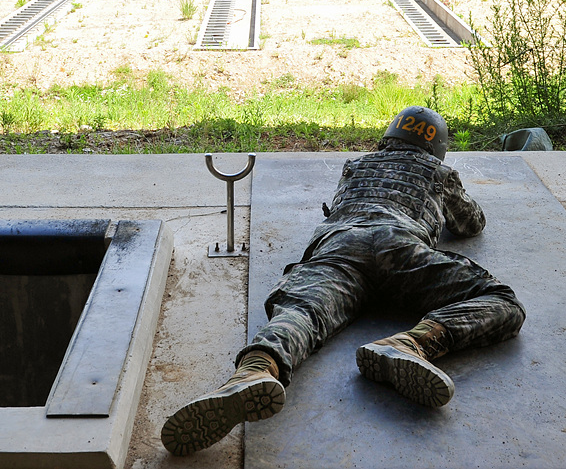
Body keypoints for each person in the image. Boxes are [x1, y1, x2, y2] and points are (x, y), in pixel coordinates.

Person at [161, 106, 526, 456]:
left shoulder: (356, 166)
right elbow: (470, 224)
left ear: (388, 137)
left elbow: (338, 206)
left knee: (304, 310)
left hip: (340, 242)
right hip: (399, 246)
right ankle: (410, 344)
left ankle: (255, 369)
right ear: (437, 147)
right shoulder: (438, 172)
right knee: (501, 301)